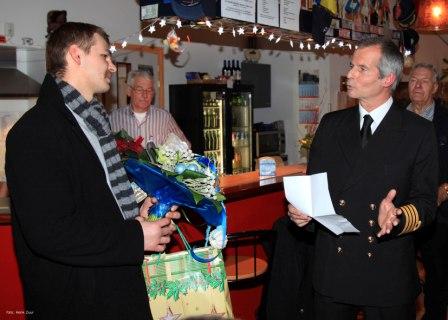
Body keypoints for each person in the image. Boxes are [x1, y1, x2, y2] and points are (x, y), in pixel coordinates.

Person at [5, 22, 180, 320]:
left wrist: (138, 212)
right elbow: (50, 233)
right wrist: (136, 237)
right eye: (105, 56)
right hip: (78, 301)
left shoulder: (93, 121)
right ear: (76, 55)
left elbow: (94, 202)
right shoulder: (35, 131)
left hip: (112, 289)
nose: (112, 66)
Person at [288, 38, 438, 319]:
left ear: (387, 78)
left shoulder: (418, 132)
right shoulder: (332, 125)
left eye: (362, 68)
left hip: (386, 267)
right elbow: (315, 189)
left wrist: (398, 216)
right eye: (351, 66)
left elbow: (426, 203)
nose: (350, 75)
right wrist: (302, 214)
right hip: (333, 267)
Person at [407, 63, 448, 320]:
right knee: (400, 276)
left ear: (435, 87)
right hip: (401, 211)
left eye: (424, 81)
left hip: (439, 213)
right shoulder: (396, 118)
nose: (418, 85)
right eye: (413, 80)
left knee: (438, 277)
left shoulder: (446, 121)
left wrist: (445, 189)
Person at [109, 70, 190, 147]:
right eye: (139, 90)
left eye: (149, 90)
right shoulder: (114, 118)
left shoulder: (164, 117)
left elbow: (185, 145)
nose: (145, 95)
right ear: (129, 91)